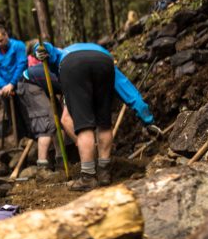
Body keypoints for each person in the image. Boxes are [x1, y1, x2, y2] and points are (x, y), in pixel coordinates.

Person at [34, 41, 159, 191]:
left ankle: (88, 177)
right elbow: (127, 89)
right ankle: (104, 172)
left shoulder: (64, 54)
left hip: (73, 66)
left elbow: (48, 49)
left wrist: (39, 49)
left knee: (84, 125)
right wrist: (148, 119)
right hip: (104, 63)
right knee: (104, 123)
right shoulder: (100, 53)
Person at [16, 65, 64, 171]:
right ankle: (42, 169)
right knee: (46, 123)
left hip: (45, 84)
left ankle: (61, 161)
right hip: (29, 83)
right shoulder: (69, 77)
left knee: (59, 120)